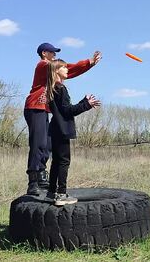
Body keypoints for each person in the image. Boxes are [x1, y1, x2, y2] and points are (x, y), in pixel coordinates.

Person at [24, 42, 101, 195]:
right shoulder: (42, 65)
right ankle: (33, 181)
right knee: (38, 143)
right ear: (44, 53)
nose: (55, 56)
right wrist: (88, 62)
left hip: (43, 109)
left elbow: (68, 71)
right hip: (34, 107)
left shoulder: (53, 72)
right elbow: (68, 68)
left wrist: (89, 65)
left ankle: (41, 177)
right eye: (52, 53)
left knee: (47, 145)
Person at [44, 59, 101, 206]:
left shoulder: (52, 89)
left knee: (56, 161)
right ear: (56, 71)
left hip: (55, 129)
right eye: (64, 67)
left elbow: (64, 108)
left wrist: (83, 101)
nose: (67, 69)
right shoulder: (61, 89)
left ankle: (51, 193)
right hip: (63, 130)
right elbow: (68, 111)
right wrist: (87, 105)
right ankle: (61, 194)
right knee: (64, 162)